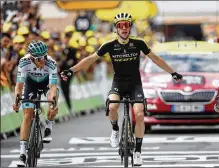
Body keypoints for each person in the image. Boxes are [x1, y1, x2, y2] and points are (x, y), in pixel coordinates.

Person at [60, 12, 183, 166]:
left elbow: (156, 59)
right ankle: (115, 129)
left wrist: (173, 72)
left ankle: (138, 151)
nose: (124, 28)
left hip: (134, 85)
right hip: (118, 83)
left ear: (130, 28)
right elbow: (90, 59)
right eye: (120, 25)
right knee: (112, 107)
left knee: (139, 115)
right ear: (116, 29)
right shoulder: (109, 45)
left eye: (127, 25)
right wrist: (71, 70)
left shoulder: (139, 43)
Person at [12, 40, 59, 167]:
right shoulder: (24, 62)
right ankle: (22, 153)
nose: (43, 60)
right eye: (39, 59)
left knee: (53, 100)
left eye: (44, 56)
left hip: (46, 84)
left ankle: (49, 125)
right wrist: (16, 100)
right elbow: (19, 85)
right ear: (32, 58)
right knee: (27, 116)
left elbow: (53, 86)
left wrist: (53, 100)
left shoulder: (51, 63)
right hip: (30, 85)